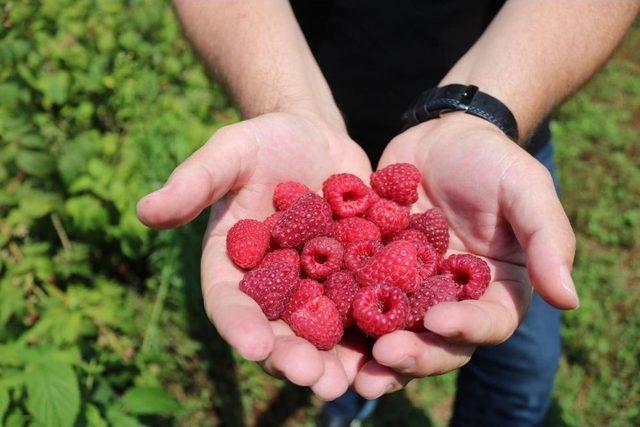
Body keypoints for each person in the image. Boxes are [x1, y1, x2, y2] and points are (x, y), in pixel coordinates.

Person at [136, 1, 639, 425]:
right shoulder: (327, 236)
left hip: (483, 156)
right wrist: (291, 105)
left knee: (521, 370)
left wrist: (480, 116)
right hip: (313, 124)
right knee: (339, 368)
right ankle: (345, 411)